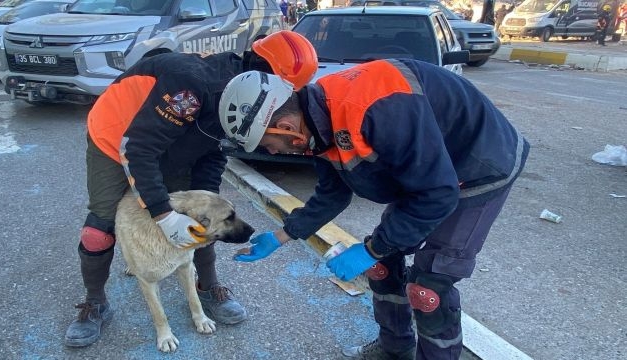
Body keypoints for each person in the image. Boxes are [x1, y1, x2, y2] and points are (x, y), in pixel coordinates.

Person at [219, 58, 530, 360]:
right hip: (425, 174)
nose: (271, 152)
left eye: (268, 144)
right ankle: (394, 349)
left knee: (428, 289)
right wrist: (284, 234)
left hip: (479, 165)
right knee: (381, 266)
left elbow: (436, 193)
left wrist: (373, 248)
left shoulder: (377, 111)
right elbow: (333, 193)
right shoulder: (317, 123)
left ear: (286, 126)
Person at [63, 30, 318, 348]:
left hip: (171, 142)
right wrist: (163, 215)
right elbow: (139, 151)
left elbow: (214, 153)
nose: (284, 102)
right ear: (263, 75)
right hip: (117, 140)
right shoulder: (193, 86)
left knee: (204, 216)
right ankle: (95, 301)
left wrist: (206, 202)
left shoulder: (248, 106)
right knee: (99, 229)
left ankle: (207, 286)